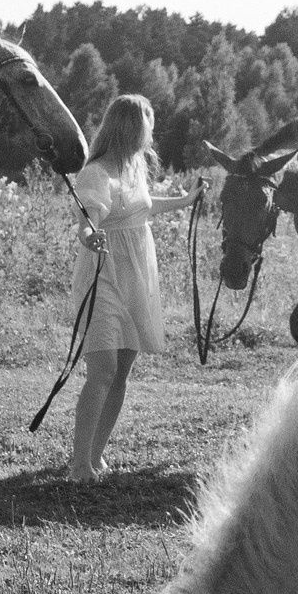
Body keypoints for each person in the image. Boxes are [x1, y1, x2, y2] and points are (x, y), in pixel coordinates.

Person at [64, 94, 197, 481]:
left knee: (121, 371)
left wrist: (187, 199)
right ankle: (79, 465)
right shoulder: (97, 173)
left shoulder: (133, 168)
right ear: (132, 127)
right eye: (148, 123)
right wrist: (88, 235)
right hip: (103, 273)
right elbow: (89, 218)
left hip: (136, 275)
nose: (152, 131)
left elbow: (143, 207)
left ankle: (96, 454)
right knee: (102, 370)